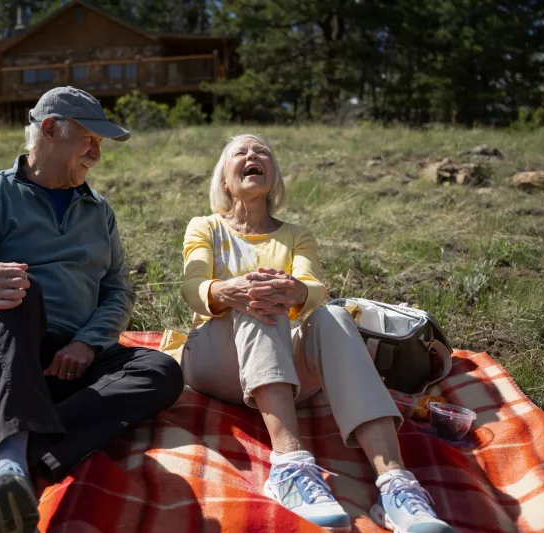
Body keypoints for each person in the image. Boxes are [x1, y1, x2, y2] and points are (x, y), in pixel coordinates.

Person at [0, 87, 184, 533]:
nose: (97, 155)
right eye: (90, 139)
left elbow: (118, 291)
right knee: (17, 285)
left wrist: (88, 342)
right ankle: (11, 468)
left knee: (161, 370)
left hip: (65, 364)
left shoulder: (99, 211)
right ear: (50, 129)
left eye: (100, 144)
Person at [179, 134, 453, 533]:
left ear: (274, 178)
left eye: (262, 153)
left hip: (285, 363)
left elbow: (315, 290)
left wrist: (297, 290)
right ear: (224, 180)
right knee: (259, 302)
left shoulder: (297, 235)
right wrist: (228, 290)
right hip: (213, 359)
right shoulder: (205, 227)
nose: (253, 156)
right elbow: (192, 287)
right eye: (241, 152)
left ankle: (396, 485)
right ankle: (290, 466)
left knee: (334, 316)